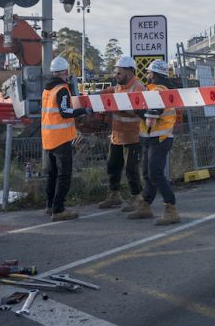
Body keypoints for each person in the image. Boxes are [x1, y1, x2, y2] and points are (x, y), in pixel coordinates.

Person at [127, 59, 180, 225]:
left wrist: (138, 111)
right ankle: (145, 205)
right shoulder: (153, 90)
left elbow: (153, 116)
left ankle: (171, 208)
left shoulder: (159, 90)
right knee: (148, 174)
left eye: (149, 73)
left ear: (155, 74)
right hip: (151, 137)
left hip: (160, 138)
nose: (147, 75)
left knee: (155, 173)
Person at [41, 55, 90, 221]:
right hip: (61, 138)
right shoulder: (61, 89)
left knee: (52, 174)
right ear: (63, 72)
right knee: (64, 175)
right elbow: (65, 112)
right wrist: (83, 110)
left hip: (48, 138)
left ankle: (50, 206)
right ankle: (59, 209)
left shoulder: (47, 89)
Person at [98, 56, 147, 211]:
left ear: (130, 71)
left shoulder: (139, 88)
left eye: (120, 72)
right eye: (116, 72)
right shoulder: (118, 86)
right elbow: (110, 93)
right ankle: (114, 195)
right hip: (117, 135)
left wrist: (118, 106)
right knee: (113, 165)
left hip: (134, 136)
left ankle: (137, 197)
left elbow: (142, 112)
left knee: (131, 168)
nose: (116, 75)